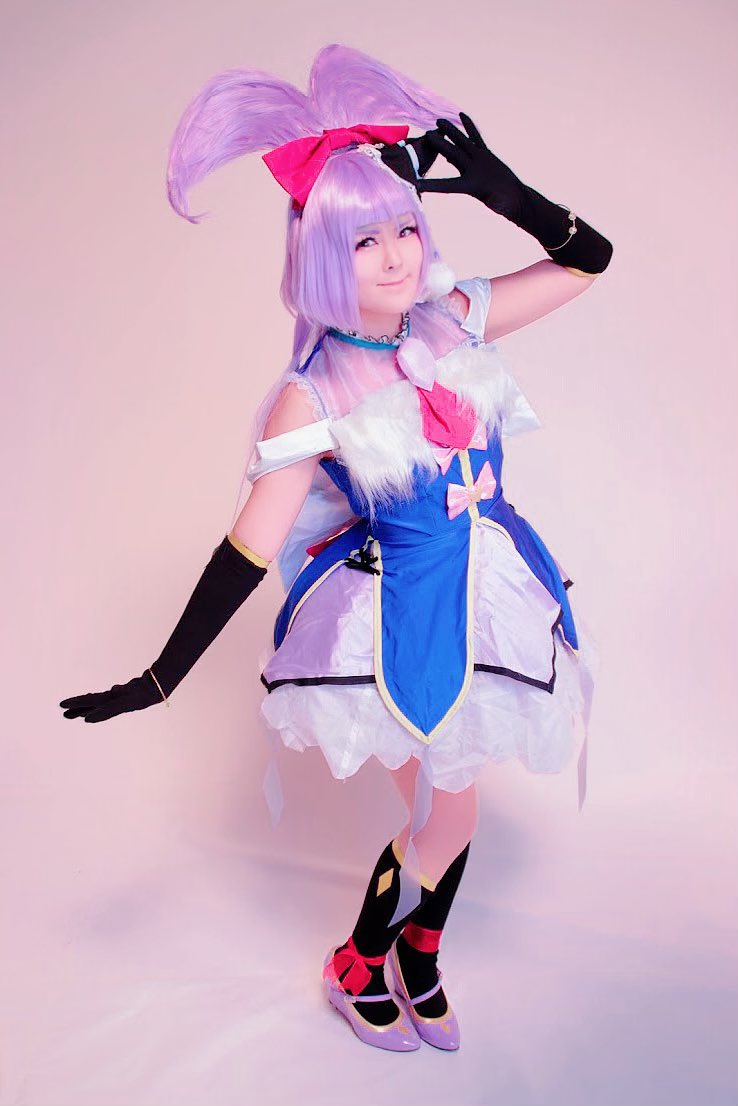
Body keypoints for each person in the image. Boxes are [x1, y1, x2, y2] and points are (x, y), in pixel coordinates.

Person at [59, 44, 612, 1053]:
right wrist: (160, 676)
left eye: (405, 228)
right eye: (365, 241)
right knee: (448, 814)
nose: (397, 257)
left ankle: (410, 960)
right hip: (402, 621)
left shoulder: (454, 319)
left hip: (491, 593)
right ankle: (366, 961)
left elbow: (589, 262)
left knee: (453, 812)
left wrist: (509, 193)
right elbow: (248, 547)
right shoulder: (310, 395)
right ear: (321, 254)